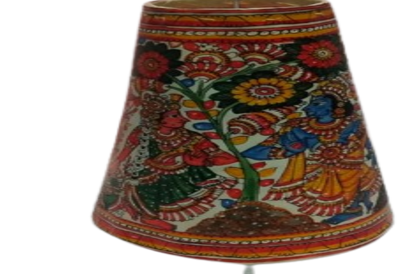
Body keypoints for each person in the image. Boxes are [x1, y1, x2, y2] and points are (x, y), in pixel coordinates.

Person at [242, 79, 381, 224]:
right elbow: (271, 147)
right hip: (319, 169)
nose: (307, 108)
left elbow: (365, 143)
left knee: (359, 182)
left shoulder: (352, 122)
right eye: (311, 104)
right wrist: (239, 157)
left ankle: (355, 208)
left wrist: (368, 152)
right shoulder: (299, 128)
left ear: (336, 106)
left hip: (353, 166)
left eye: (317, 104)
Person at [103, 93, 237, 229]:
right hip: (149, 171)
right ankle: (146, 217)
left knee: (157, 189)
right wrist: (115, 165)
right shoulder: (143, 132)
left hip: (181, 177)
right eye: (174, 116)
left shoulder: (191, 138)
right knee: (139, 186)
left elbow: (229, 158)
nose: (184, 119)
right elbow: (126, 150)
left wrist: (204, 162)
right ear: (158, 118)